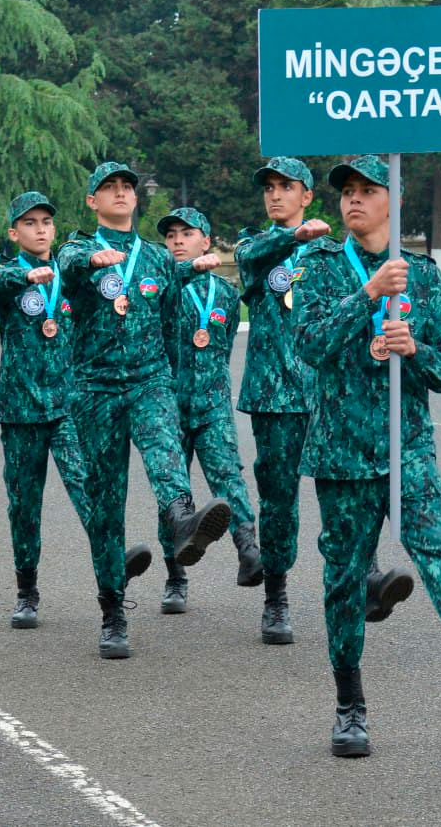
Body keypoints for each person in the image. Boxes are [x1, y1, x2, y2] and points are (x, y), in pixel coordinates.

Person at [294, 155, 441, 758]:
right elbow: (311, 346)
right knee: (346, 581)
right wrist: (368, 295)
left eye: (366, 190)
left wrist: (416, 347)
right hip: (343, 453)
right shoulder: (319, 266)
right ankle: (350, 707)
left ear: (391, 200)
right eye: (346, 191)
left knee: (438, 546)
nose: (353, 200)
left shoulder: (424, 275)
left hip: (408, 446)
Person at [55, 162, 232, 659]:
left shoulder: (156, 259)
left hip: (150, 379)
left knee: (165, 448)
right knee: (106, 503)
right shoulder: (78, 247)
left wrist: (192, 271)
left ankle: (182, 518)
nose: (119, 193)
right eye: (108, 188)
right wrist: (92, 264)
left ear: (136, 199)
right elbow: (68, 265)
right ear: (92, 201)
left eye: (126, 187)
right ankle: (112, 611)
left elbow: (175, 319)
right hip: (95, 388)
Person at [236, 157, 414, 646]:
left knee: (356, 492)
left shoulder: (337, 256)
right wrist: (294, 237)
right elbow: (252, 256)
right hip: (276, 395)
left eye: (286, 187)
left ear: (307, 195)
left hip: (330, 394)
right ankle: (276, 598)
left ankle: (369, 577)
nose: (275, 195)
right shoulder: (258, 249)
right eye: (269, 188)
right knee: (278, 503)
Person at [0, 191, 152, 633]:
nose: (40, 229)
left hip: (69, 407)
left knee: (91, 492)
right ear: (14, 232)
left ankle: (114, 574)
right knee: (24, 506)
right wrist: (26, 279)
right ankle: (27, 591)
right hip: (21, 409)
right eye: (30, 223)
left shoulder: (72, 271)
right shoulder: (4, 273)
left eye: (46, 222)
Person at [157, 207, 259, 614]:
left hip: (213, 403)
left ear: (207, 241)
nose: (178, 240)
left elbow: (221, 346)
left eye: (187, 233)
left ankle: (249, 551)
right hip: (169, 404)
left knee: (228, 479)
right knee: (173, 493)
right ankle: (175, 577)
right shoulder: (163, 288)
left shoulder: (226, 294)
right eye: (170, 235)